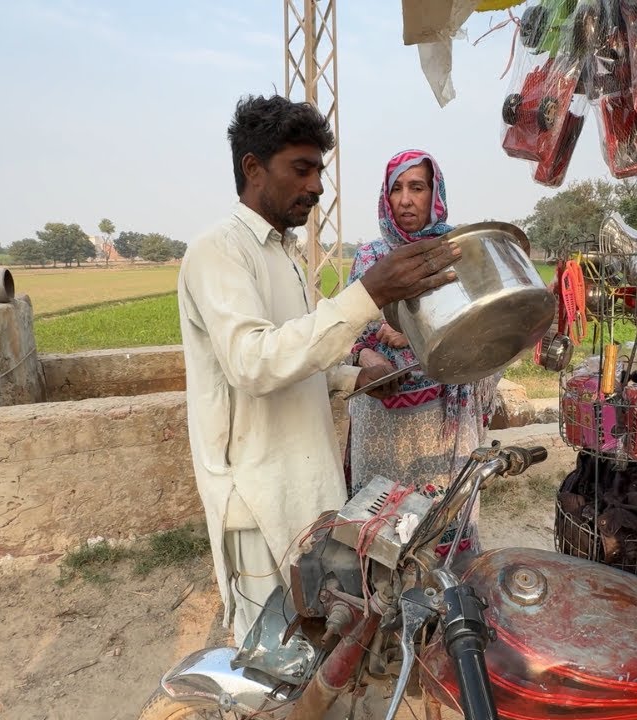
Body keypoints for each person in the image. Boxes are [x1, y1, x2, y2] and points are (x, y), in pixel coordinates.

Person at [177, 97, 461, 645]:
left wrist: (352, 378)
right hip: (257, 498)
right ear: (252, 168)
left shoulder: (283, 253)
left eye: (319, 171)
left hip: (305, 482)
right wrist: (368, 295)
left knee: (315, 633)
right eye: (300, 170)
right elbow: (253, 362)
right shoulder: (217, 252)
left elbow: (294, 352)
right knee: (271, 649)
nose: (316, 187)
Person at [345, 150, 502, 556]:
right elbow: (347, 334)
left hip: (442, 419)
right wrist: (367, 357)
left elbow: (484, 329)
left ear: (435, 193)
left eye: (417, 187)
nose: (406, 199)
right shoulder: (369, 258)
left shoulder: (455, 253)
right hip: (383, 422)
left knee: (445, 522)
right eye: (396, 188)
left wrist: (414, 338)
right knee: (381, 526)